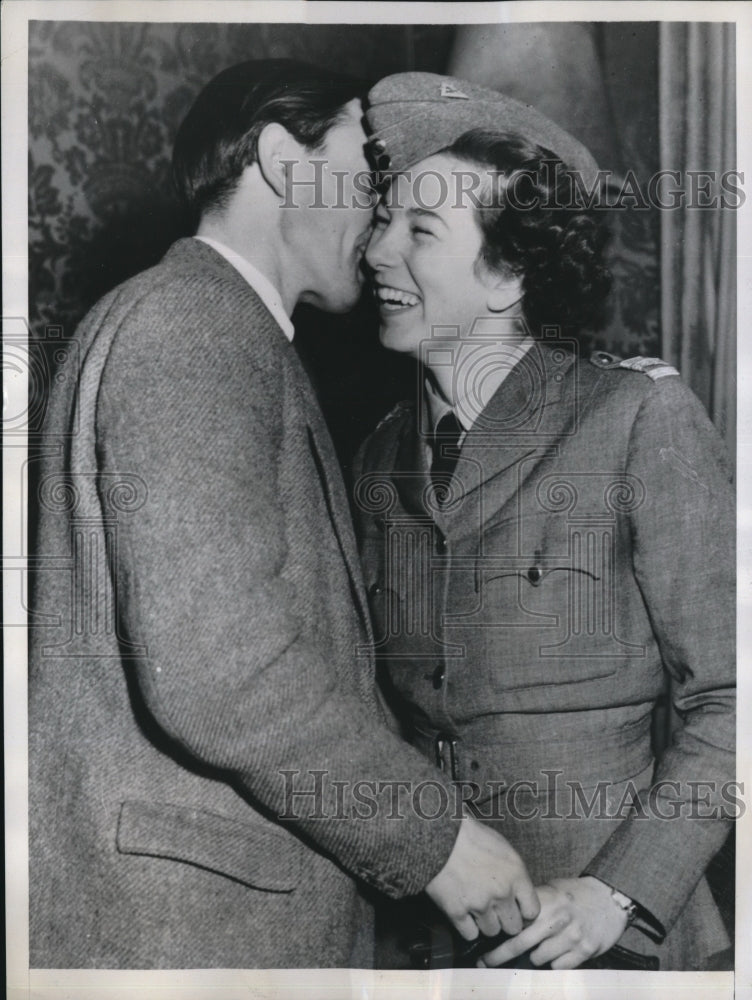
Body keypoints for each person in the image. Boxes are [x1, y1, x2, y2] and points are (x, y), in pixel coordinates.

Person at [28, 59, 540, 970]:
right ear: (277, 158)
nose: (380, 219)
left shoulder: (219, 328)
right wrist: (438, 840)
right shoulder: (192, 326)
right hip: (195, 935)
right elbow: (220, 667)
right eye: (368, 176)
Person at [355, 72, 735, 971]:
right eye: (381, 220)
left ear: (508, 272)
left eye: (420, 232)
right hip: (430, 947)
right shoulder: (376, 453)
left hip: (610, 944)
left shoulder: (633, 419)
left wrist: (617, 895)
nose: (376, 253)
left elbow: (732, 701)